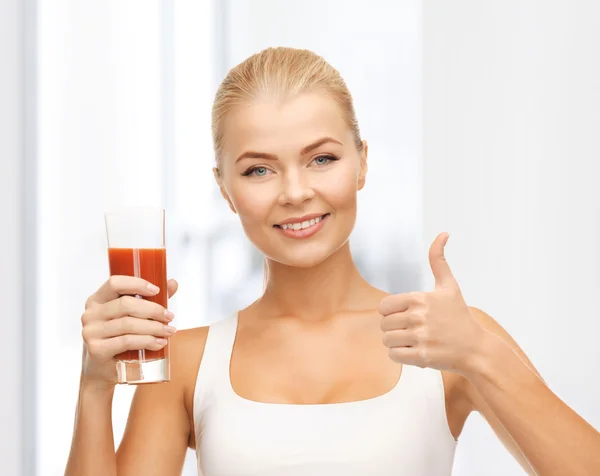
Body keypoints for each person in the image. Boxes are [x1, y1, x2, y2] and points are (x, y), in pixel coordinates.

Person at [65, 47, 600, 476]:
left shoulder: (449, 340)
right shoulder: (186, 361)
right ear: (224, 189)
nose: (296, 192)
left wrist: (483, 355)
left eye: (322, 159)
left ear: (362, 161)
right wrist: (94, 388)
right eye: (258, 170)